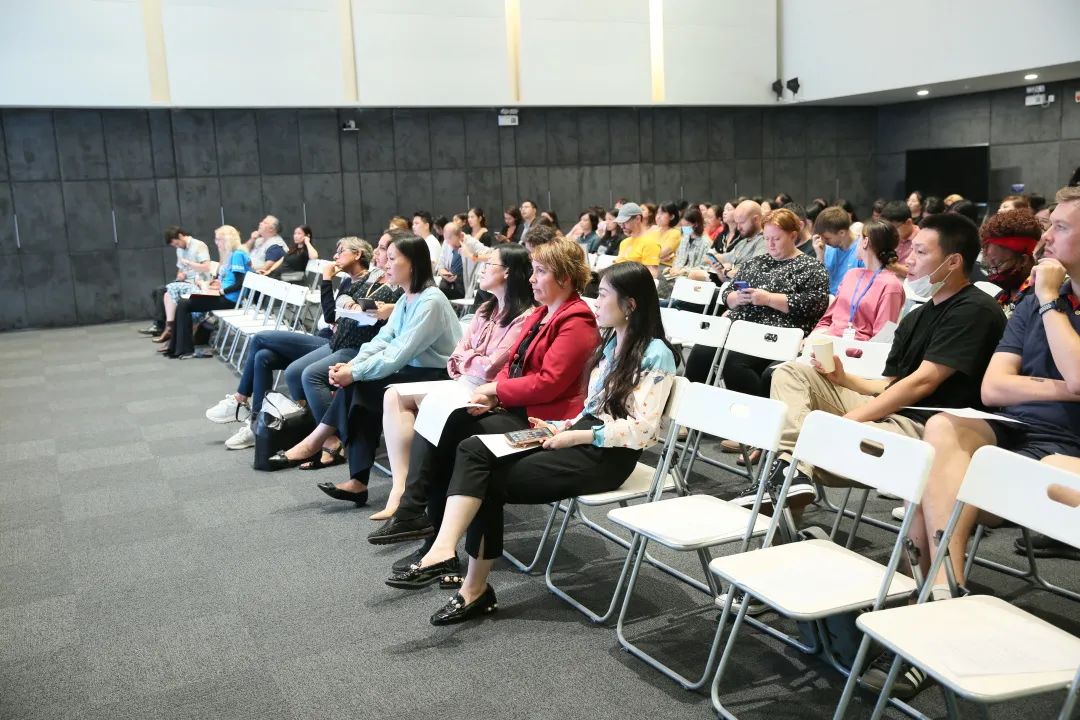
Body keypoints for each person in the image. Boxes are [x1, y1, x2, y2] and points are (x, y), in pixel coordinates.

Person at [861, 187, 1080, 702]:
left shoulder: (1043, 298)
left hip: (1068, 451)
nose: (1046, 237)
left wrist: (1052, 302)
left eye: (1061, 227)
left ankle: (928, 612)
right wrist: (1065, 386)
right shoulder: (1030, 302)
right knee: (943, 431)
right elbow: (994, 389)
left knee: (929, 482)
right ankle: (945, 595)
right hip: (1014, 429)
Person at [386, 262, 677, 626]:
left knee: (485, 480)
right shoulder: (611, 344)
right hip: (578, 433)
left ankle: (473, 589)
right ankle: (445, 550)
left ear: (630, 304)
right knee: (473, 448)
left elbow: (644, 431)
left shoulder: (655, 353)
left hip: (607, 455)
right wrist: (558, 427)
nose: (596, 302)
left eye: (603, 295)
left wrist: (579, 434)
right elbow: (592, 409)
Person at [365, 239, 598, 564]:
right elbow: (510, 366)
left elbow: (549, 383)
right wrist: (493, 393)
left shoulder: (576, 321)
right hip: (518, 407)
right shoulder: (542, 314)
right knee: (442, 420)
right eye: (533, 270)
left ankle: (424, 529)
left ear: (565, 277)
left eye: (541, 271)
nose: (532, 278)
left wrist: (495, 391)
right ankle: (422, 526)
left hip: (546, 422)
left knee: (455, 434)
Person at [765, 214, 1007, 513]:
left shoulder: (974, 310)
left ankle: (789, 468)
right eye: (912, 250)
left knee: (818, 443)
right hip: (893, 410)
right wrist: (844, 379)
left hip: (931, 426)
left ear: (953, 261)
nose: (909, 260)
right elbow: (891, 384)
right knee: (790, 372)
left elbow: (923, 382)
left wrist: (849, 420)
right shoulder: (918, 316)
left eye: (921, 252)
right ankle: (791, 467)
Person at [266, 234, 462, 509]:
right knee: (358, 385)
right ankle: (349, 473)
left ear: (413, 264)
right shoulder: (408, 298)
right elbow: (382, 341)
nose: (385, 265)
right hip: (413, 369)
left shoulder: (431, 301)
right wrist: (353, 366)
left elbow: (399, 352)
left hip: (437, 375)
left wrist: (356, 372)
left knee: (361, 385)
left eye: (392, 259)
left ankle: (324, 447)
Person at [375, 244, 535, 519]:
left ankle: (414, 503)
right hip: (462, 381)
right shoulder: (485, 309)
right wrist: (470, 358)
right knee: (394, 395)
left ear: (508, 272)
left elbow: (491, 368)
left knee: (433, 408)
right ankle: (400, 487)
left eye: (489, 265)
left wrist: (467, 358)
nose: (482, 270)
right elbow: (455, 357)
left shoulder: (524, 317)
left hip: (486, 391)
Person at [204, 237, 401, 453]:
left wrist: (329, 283)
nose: (335, 256)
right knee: (263, 356)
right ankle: (257, 422)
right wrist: (343, 300)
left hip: (338, 342)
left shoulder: (375, 282)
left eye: (340, 251)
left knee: (262, 340)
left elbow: (334, 315)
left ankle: (243, 402)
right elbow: (335, 313)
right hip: (332, 338)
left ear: (357, 254)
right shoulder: (362, 280)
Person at [684, 207, 829, 395]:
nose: (770, 244)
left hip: (776, 334)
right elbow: (727, 293)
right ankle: (696, 409)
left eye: (776, 239)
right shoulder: (755, 262)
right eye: (766, 239)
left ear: (793, 236)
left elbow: (814, 304)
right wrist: (737, 298)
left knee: (735, 364)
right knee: (700, 353)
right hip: (740, 328)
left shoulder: (810, 267)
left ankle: (757, 411)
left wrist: (768, 299)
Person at [162, 225, 252, 359]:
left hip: (230, 300)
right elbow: (230, 280)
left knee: (185, 304)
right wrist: (215, 285)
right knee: (183, 303)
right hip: (224, 295)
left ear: (228, 239)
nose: (216, 242)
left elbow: (240, 283)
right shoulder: (232, 254)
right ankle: (179, 347)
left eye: (219, 239)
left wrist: (221, 291)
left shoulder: (238, 254)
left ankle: (183, 348)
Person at [812, 219, 905, 341]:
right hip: (829, 342)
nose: (856, 241)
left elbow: (883, 338)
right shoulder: (851, 274)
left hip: (858, 349)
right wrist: (815, 337)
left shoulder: (891, 286)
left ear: (865, 242)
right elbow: (827, 319)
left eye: (859, 237)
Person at [148, 226, 211, 343]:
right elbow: (181, 269)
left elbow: (206, 267)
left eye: (177, 244)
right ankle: (162, 326)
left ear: (181, 236)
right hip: (185, 282)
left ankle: (166, 328)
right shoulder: (179, 250)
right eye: (175, 246)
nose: (177, 247)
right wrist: (180, 276)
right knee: (158, 291)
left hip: (197, 282)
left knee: (166, 292)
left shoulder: (199, 245)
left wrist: (190, 264)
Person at [980, 209, 1041, 315]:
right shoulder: (1003, 295)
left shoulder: (1040, 298)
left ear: (1023, 260)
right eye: (989, 265)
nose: (993, 273)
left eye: (998, 265)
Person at [696, 199, 766, 281]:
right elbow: (726, 262)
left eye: (742, 223)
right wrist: (720, 270)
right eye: (737, 223)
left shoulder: (764, 241)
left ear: (756, 219)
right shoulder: (742, 242)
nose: (738, 228)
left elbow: (752, 272)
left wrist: (727, 271)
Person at [813, 206, 864, 296]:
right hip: (828, 299)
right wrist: (820, 257)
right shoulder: (826, 248)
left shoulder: (862, 250)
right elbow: (816, 285)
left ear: (842, 233)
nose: (823, 242)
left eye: (827, 238)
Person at [614, 203, 661, 278]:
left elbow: (652, 273)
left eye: (625, 222)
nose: (622, 226)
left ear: (638, 219)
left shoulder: (650, 242)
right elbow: (617, 265)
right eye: (620, 223)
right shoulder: (624, 243)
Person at [882, 200, 917, 268]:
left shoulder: (920, 240)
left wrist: (893, 266)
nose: (891, 232)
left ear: (908, 222)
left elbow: (918, 272)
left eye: (894, 228)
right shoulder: (889, 236)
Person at [437, 222, 466, 300]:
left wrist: (473, 256)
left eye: (450, 238)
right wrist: (445, 274)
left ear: (460, 235)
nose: (448, 242)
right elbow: (440, 265)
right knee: (440, 291)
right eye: (446, 238)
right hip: (448, 278)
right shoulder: (446, 243)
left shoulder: (469, 244)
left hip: (463, 283)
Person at [654, 202, 683, 269]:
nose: (658, 216)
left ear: (671, 216)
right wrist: (659, 259)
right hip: (652, 264)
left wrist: (656, 257)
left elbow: (661, 253)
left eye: (662, 213)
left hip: (665, 268)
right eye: (657, 213)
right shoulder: (654, 231)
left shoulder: (675, 233)